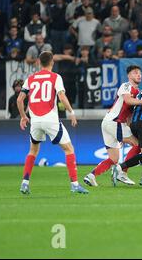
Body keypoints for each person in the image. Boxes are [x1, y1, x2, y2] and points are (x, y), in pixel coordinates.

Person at [16, 51, 88, 194]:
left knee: (33, 151)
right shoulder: (55, 77)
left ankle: (24, 183)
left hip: (35, 120)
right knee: (69, 149)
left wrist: (24, 116)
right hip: (50, 118)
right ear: (52, 62)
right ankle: (74, 185)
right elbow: (61, 96)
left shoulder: (30, 79)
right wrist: (71, 113)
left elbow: (19, 100)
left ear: (38, 62)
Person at [83, 65, 142, 187]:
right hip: (114, 122)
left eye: (140, 73)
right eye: (135, 73)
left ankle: (91, 176)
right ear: (129, 76)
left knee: (114, 158)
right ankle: (122, 172)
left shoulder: (137, 93)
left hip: (109, 124)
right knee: (140, 145)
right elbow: (127, 100)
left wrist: (122, 135)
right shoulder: (126, 86)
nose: (138, 75)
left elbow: (128, 115)